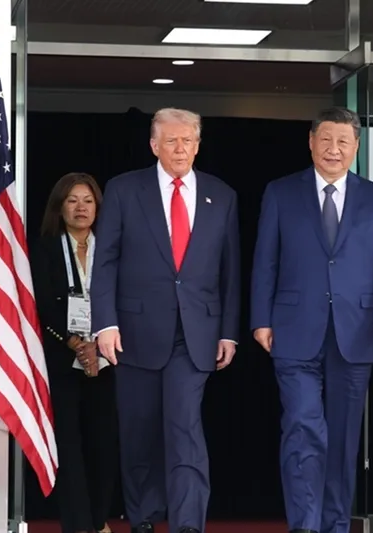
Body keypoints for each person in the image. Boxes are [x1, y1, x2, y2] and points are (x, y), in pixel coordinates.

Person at [250, 107, 373, 533]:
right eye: (325, 139)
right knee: (302, 426)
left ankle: (335, 524)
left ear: (356, 146)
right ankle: (305, 524)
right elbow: (265, 260)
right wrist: (260, 318)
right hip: (293, 330)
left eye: (342, 141)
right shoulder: (281, 193)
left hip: (355, 333)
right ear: (310, 142)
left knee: (341, 439)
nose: (333, 149)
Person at [91, 108, 241, 533]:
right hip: (134, 331)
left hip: (195, 334)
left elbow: (230, 270)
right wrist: (105, 323)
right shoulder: (124, 189)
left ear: (198, 145)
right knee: (139, 430)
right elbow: (105, 261)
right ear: (154, 145)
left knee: (184, 426)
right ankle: (143, 516)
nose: (180, 149)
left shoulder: (221, 195)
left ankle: (188, 522)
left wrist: (229, 332)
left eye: (188, 141)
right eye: (171, 141)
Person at [31, 172, 119, 533]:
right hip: (62, 357)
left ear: (98, 207)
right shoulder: (45, 248)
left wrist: (97, 343)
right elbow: (41, 302)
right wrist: (74, 342)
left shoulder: (112, 248)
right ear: (59, 207)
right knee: (69, 444)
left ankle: (98, 521)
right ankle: (78, 524)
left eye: (88, 200)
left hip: (107, 357)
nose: (81, 208)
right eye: (72, 200)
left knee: (103, 443)